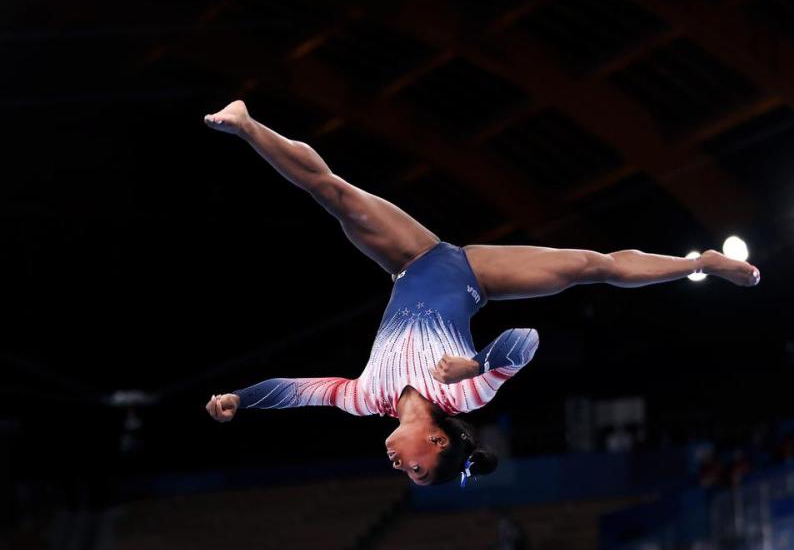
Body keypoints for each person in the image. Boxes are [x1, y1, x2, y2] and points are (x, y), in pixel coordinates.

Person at [202, 101, 761, 486]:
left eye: (407, 475)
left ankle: (246, 127)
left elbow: (296, 392)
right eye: (417, 470)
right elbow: (524, 340)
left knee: (337, 196)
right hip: (475, 277)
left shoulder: (366, 398)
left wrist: (242, 398)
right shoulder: (462, 399)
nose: (402, 467)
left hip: (412, 261)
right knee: (591, 266)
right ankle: (701, 263)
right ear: (439, 445)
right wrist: (474, 366)